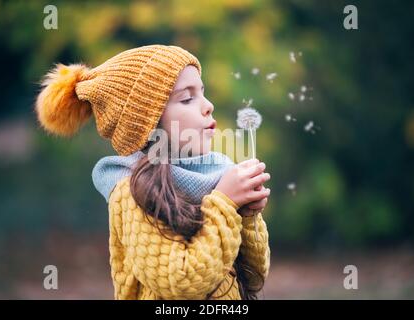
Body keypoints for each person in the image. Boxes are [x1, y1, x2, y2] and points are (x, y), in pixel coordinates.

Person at [35, 44, 271, 300]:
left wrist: (246, 215)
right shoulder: (130, 191)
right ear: (148, 123)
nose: (208, 106)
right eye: (187, 98)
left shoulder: (216, 178)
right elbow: (180, 283)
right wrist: (225, 206)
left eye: (203, 93)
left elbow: (256, 276)